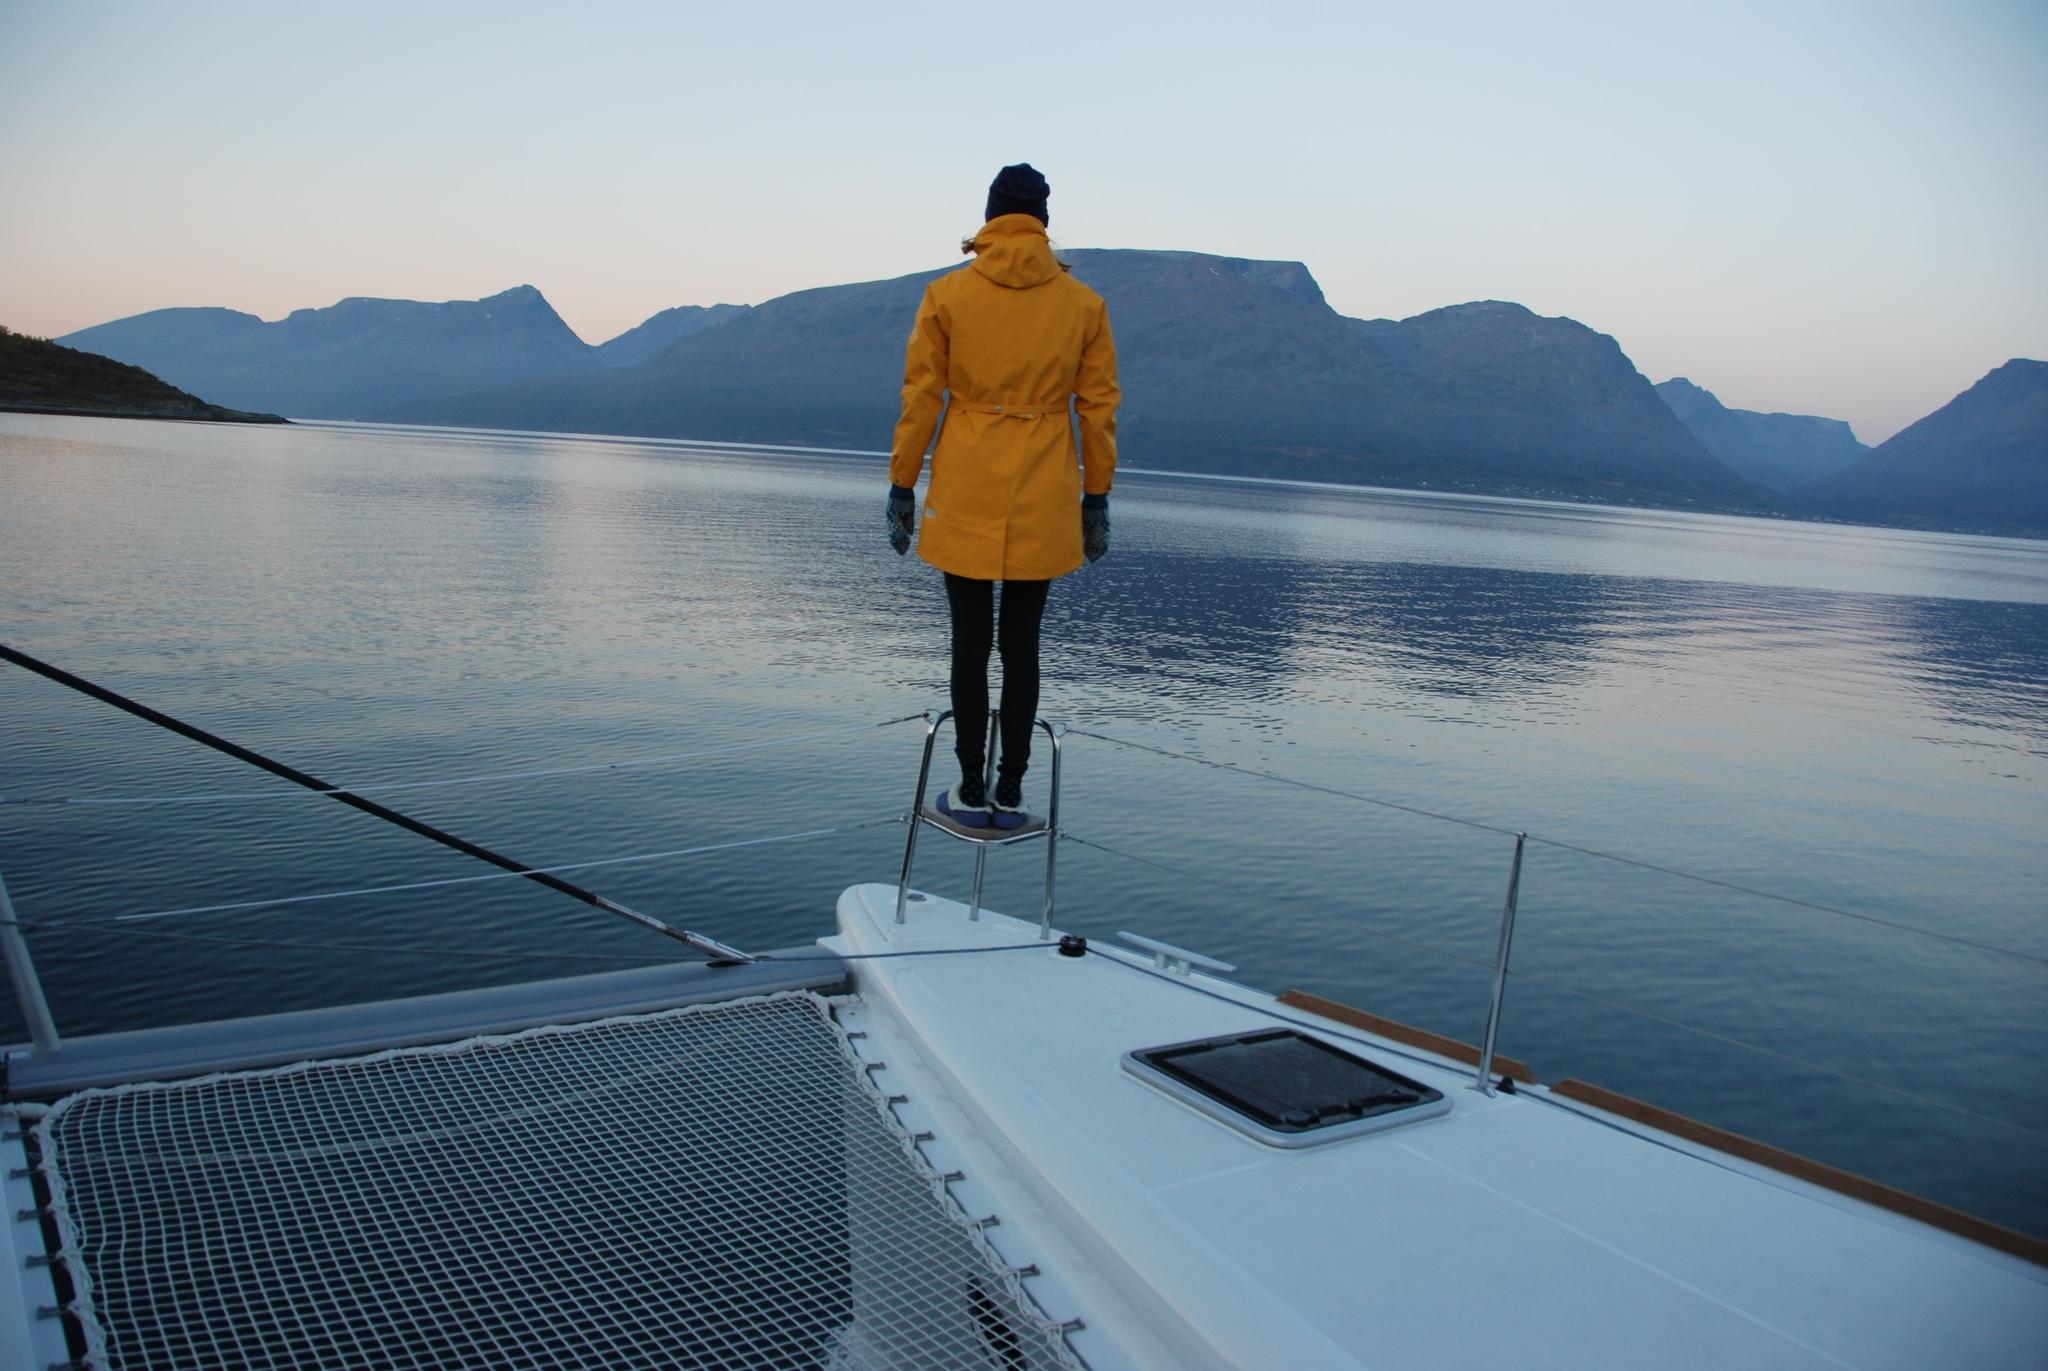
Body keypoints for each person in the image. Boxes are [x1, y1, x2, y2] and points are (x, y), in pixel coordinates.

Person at [886, 163, 1120, 829]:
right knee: (1021, 644)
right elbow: (1098, 411)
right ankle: (1012, 782)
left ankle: (968, 779)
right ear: (1043, 221)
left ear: (990, 217)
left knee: (969, 641)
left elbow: (921, 397)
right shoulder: (1083, 305)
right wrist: (1096, 497)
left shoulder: (947, 295)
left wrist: (902, 482)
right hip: (1045, 484)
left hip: (966, 480)